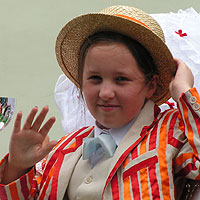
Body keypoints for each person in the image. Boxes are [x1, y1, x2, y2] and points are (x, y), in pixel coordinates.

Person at [0, 5, 199, 200]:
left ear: (151, 85)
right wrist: (17, 167)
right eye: (95, 78)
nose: (105, 93)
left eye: (121, 79)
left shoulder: (174, 132)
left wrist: (183, 90)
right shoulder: (62, 149)